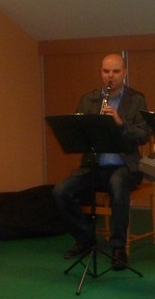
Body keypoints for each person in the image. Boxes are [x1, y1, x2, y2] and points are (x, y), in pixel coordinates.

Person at [52, 53, 149, 270]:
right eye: (106, 71)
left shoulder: (135, 99)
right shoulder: (89, 100)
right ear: (101, 73)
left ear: (124, 73)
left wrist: (120, 123)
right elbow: (78, 132)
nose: (110, 76)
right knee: (60, 191)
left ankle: (118, 247)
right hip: (94, 165)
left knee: (118, 183)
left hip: (126, 166)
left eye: (115, 71)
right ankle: (85, 238)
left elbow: (143, 135)